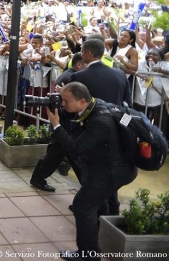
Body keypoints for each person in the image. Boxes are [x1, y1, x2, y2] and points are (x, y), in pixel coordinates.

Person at [48, 83, 137, 260]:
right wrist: (64, 104)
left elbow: (76, 148)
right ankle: (99, 240)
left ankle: (88, 255)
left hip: (114, 172)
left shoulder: (100, 122)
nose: (62, 104)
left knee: (82, 205)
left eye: (66, 101)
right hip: (110, 167)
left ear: (82, 101)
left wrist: (56, 125)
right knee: (99, 203)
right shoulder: (95, 104)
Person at [29, 52, 85, 192]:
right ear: (79, 64)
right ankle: (87, 186)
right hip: (66, 121)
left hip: (64, 121)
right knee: (68, 153)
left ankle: (38, 178)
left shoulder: (68, 74)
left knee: (59, 152)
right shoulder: (73, 77)